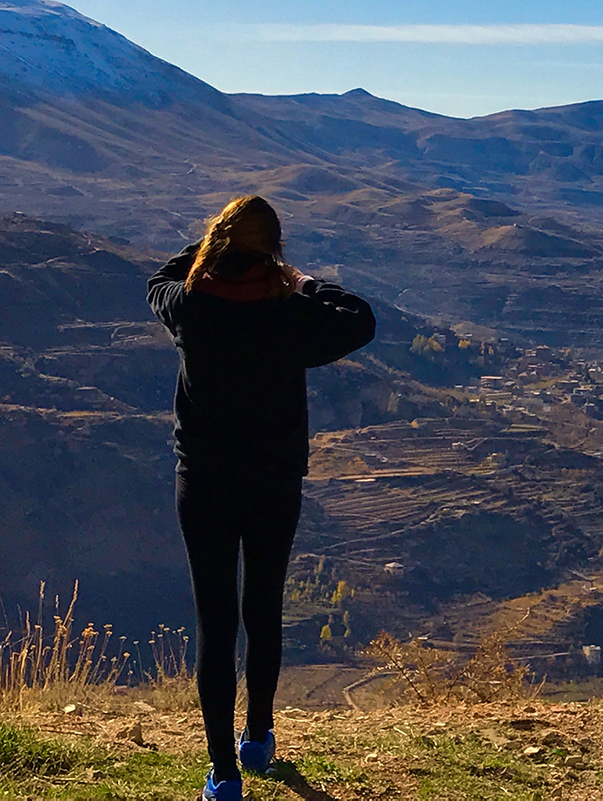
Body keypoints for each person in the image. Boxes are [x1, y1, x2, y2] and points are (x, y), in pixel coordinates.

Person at [146, 196, 376, 801]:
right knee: (264, 609)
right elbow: (359, 316)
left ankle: (223, 775)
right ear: (272, 250)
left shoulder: (190, 307)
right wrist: (299, 279)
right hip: (274, 483)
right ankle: (260, 737)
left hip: (204, 484)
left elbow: (159, 279)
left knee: (215, 623)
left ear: (217, 242)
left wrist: (206, 251)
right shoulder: (288, 313)